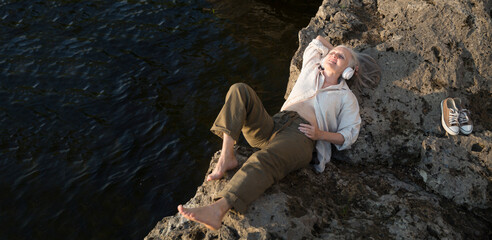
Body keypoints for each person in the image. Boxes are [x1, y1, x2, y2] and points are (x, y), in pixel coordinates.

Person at [177, 35, 381, 230]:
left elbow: (349, 134)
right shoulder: (312, 66)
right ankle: (226, 156)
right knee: (240, 90)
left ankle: (218, 209)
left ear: (349, 71)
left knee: (264, 159)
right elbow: (317, 41)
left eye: (340, 57)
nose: (334, 55)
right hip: (276, 123)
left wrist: (320, 135)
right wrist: (337, 52)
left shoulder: (346, 98)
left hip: (301, 137)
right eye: (332, 53)